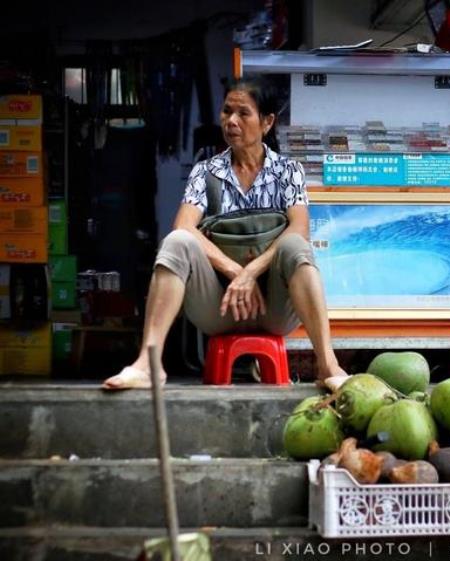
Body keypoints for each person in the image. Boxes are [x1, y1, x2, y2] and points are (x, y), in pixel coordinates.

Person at [103, 76, 349, 390]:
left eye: (243, 113)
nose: (231, 121)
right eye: (226, 111)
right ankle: (147, 365)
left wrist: (254, 271)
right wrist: (236, 272)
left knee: (296, 247)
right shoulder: (205, 172)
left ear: (267, 122)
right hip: (220, 306)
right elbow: (184, 225)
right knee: (177, 241)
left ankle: (328, 366)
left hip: (274, 309)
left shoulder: (289, 171)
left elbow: (299, 227)